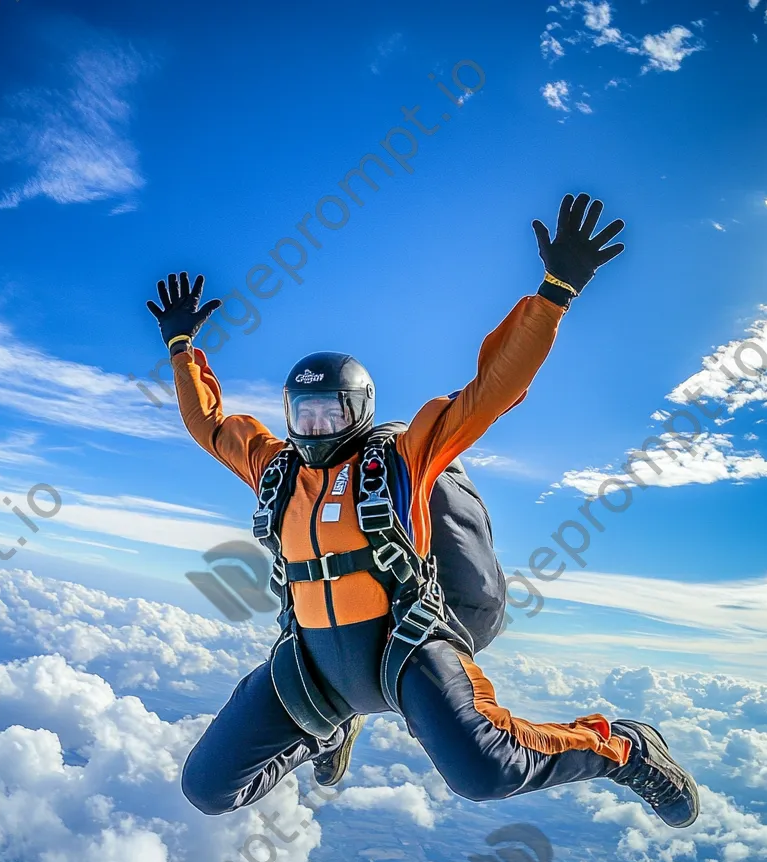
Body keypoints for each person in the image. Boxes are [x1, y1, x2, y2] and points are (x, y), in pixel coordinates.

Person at [148, 193, 699, 829]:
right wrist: (183, 348)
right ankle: (325, 735)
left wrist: (554, 291)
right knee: (210, 788)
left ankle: (623, 747)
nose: (316, 425)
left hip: (406, 650)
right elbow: (210, 425)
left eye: (331, 411)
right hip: (312, 663)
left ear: (359, 411)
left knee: (485, 771)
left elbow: (491, 390)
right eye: (304, 412)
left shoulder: (403, 459)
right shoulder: (275, 469)